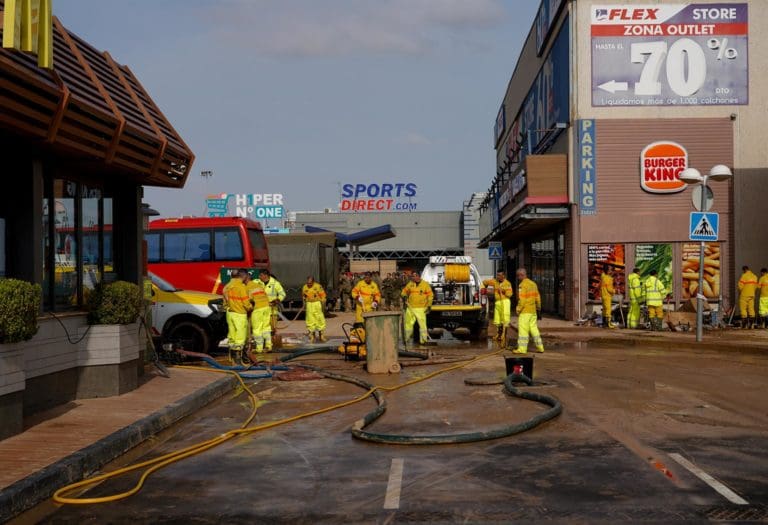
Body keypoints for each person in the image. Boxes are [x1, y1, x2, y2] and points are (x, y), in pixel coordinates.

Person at [222, 269, 251, 365]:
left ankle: (232, 357)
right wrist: (250, 307)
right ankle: (238, 359)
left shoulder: (228, 286)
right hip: (240, 314)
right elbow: (246, 303)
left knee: (232, 335)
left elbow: (225, 298)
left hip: (230, 313)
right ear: (244, 276)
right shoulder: (241, 287)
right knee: (240, 336)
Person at [514, 268, 544, 354]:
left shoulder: (522, 285)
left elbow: (522, 300)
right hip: (533, 311)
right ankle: (540, 347)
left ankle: (522, 349)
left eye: (518, 276)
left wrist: (518, 309)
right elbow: (538, 298)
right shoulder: (533, 284)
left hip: (525, 312)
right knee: (534, 330)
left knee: (523, 331)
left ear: (521, 275)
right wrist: (538, 308)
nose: (518, 278)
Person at [401, 272, 433, 345]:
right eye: (412, 276)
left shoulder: (425, 284)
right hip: (410, 307)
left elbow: (430, 296)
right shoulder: (410, 284)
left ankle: (423, 340)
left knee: (422, 325)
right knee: (408, 324)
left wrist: (429, 305)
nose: (413, 278)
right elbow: (403, 292)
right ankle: (406, 339)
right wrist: (404, 296)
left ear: (418, 276)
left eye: (414, 276)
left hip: (421, 308)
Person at [482, 271, 513, 344]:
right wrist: (486, 285)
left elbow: (509, 294)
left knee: (505, 319)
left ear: (503, 276)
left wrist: (503, 291)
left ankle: (504, 335)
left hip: (505, 302)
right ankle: (498, 334)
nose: (498, 277)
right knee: (498, 320)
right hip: (498, 302)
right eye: (497, 275)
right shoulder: (495, 282)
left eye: (499, 275)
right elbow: (484, 282)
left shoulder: (507, 283)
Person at [247, 269, 273, 354]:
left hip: (257, 309)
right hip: (266, 307)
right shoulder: (258, 286)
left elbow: (249, 301)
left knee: (257, 329)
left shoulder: (247, 287)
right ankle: (268, 346)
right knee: (266, 328)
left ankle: (259, 348)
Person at [302, 276, 327, 342]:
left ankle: (321, 335)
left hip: (317, 303)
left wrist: (323, 304)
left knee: (319, 319)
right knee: (310, 320)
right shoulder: (304, 287)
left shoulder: (318, 286)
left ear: (313, 282)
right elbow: (304, 296)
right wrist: (304, 301)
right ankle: (312, 336)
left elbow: (323, 296)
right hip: (309, 304)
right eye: (308, 283)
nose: (309, 284)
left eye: (310, 283)